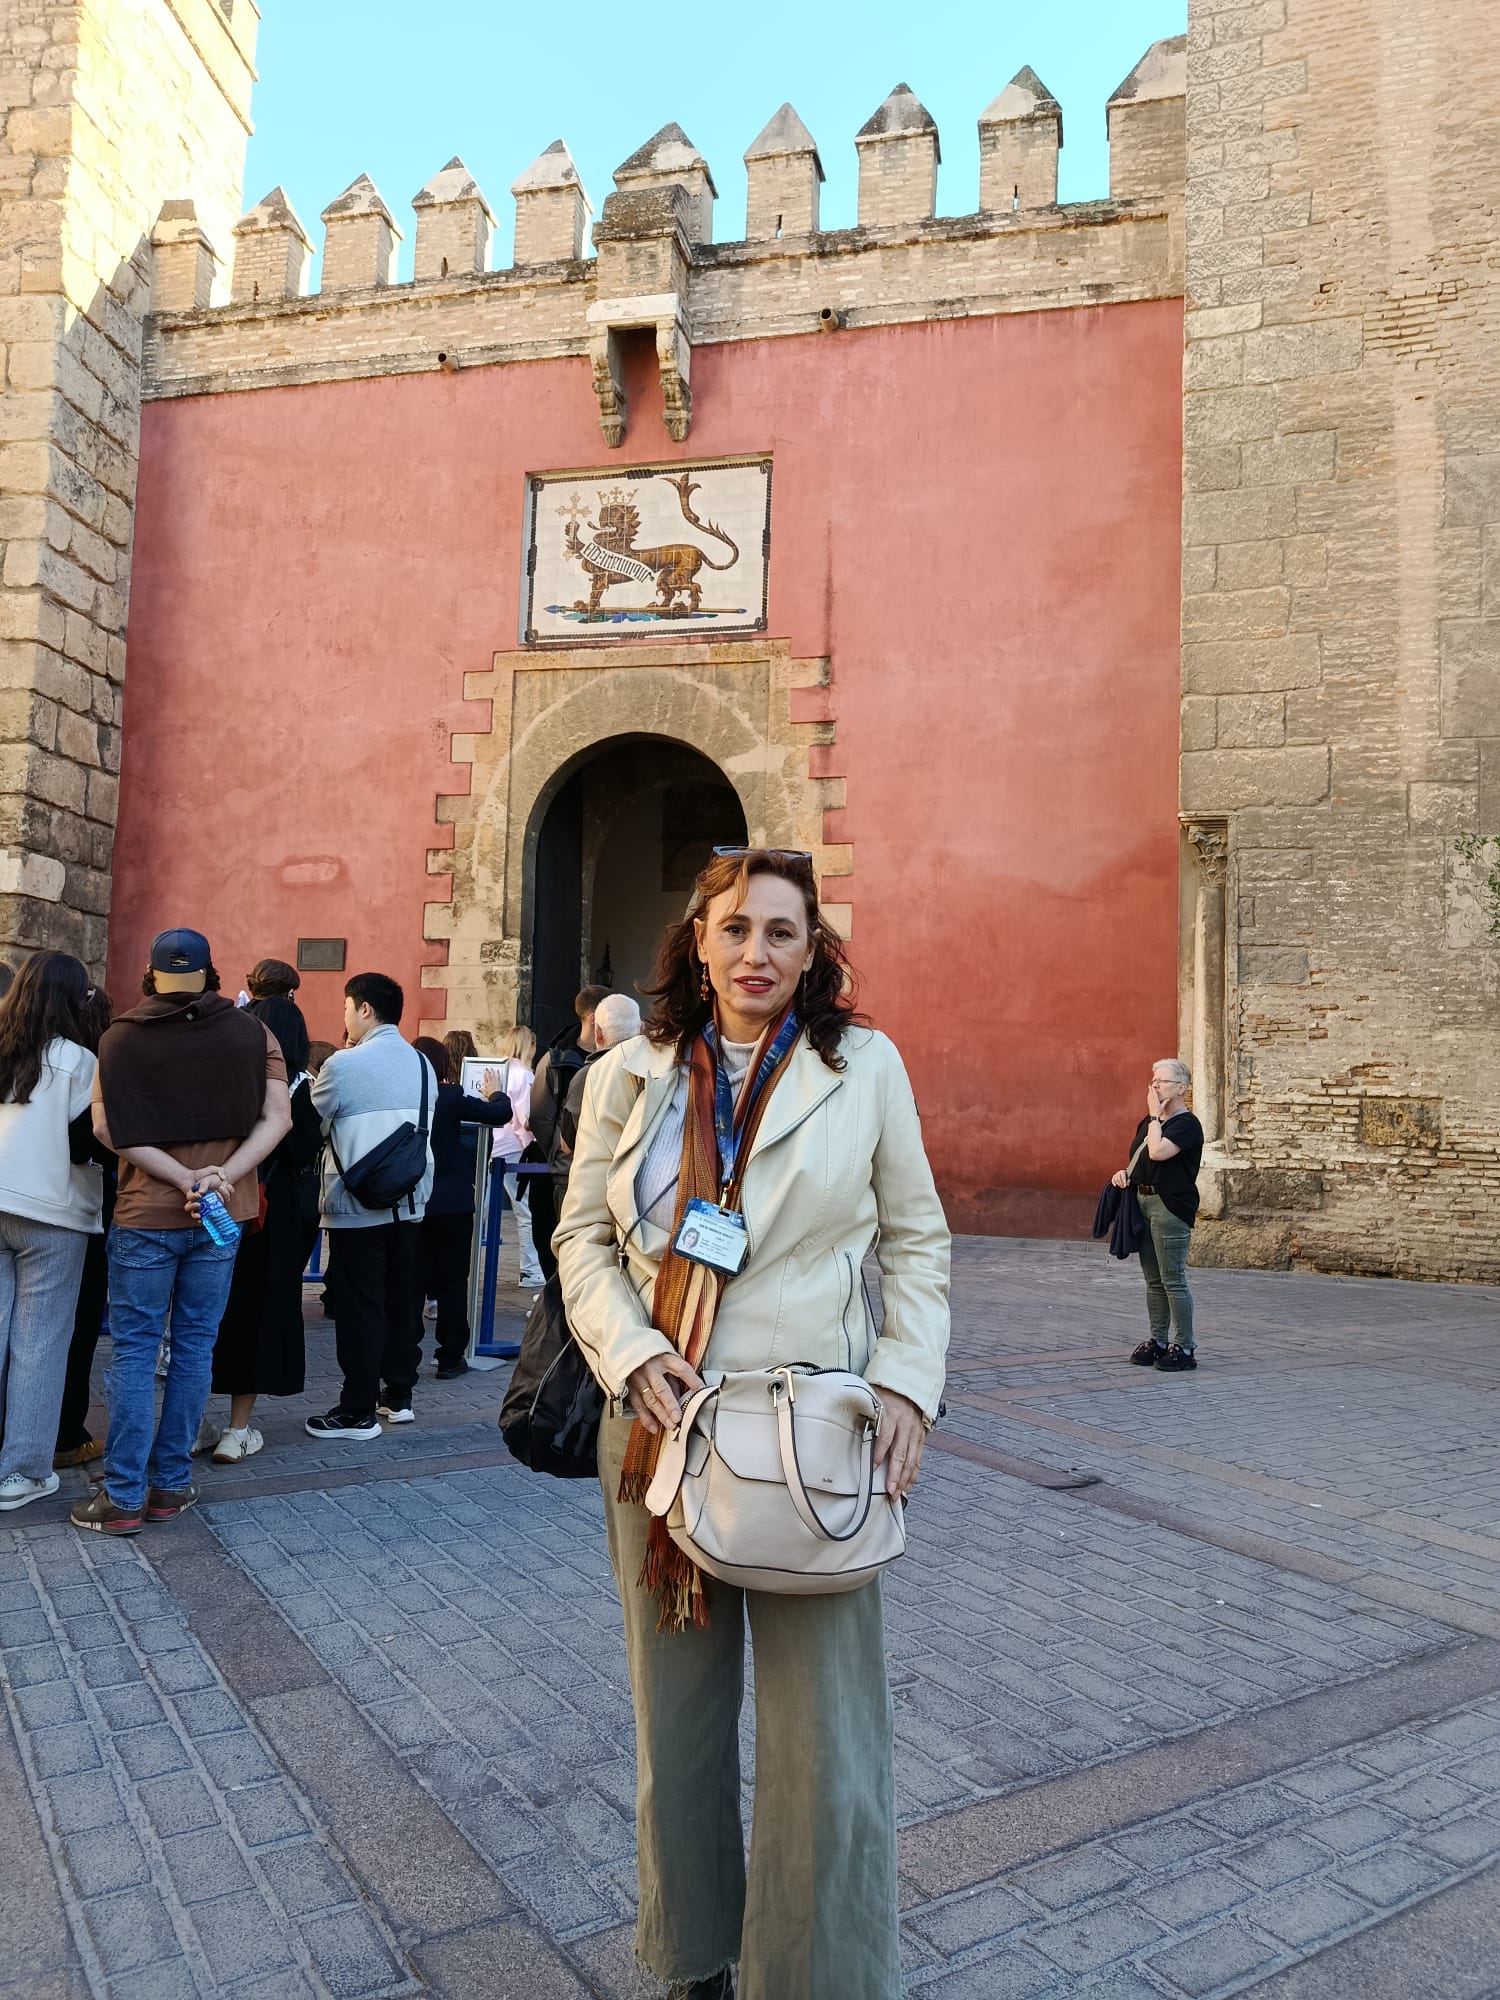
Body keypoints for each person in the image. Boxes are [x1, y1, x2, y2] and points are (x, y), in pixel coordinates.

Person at [554, 848, 951, 2000]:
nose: (755, 952)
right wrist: (631, 1353)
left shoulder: (861, 1065)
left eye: (781, 931)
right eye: (734, 928)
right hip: (662, 1428)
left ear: (813, 946)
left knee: (825, 1736)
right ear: (696, 939)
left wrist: (909, 1384)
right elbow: (580, 1237)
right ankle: (693, 1959)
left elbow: (917, 1238)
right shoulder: (634, 1070)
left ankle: (814, 1971)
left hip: (810, 1436)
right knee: (673, 1721)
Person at [75, 927, 292, 1535]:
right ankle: (170, 1485)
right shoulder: (255, 1032)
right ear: (209, 974)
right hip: (221, 1213)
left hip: (147, 1210)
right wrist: (221, 1177)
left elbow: (104, 1129)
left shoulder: (120, 1037)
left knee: (137, 1350)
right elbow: (279, 1117)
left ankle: (123, 1495)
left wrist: (180, 1178)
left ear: (150, 976)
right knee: (196, 1345)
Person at [307, 971, 435, 1438]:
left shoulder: (343, 1065)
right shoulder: (423, 1064)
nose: (344, 1016)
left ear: (364, 1008)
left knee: (361, 1306)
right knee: (403, 1301)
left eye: (346, 1006)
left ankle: (356, 1409)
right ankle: (398, 1395)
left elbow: (313, 1126)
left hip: (356, 1204)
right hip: (411, 1201)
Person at [0, 954, 105, 1511]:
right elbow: (90, 1143)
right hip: (52, 1211)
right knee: (39, 1344)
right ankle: (21, 1471)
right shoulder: (78, 1060)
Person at [199, 992, 322, 1461]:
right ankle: (236, 1429)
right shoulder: (296, 1091)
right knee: (256, 1316)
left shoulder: (226, 1080)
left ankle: (188, 1423)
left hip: (216, 1208)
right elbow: (304, 1147)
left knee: (205, 1314)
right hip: (274, 1217)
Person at [412, 1036, 510, 1379]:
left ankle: (405, 1358)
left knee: (411, 1282)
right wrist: (495, 1091)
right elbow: (500, 1113)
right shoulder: (450, 1096)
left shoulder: (405, 1094)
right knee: (454, 1282)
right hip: (452, 1200)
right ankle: (451, 1356)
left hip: (413, 1199)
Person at [54, 984, 115, 1470]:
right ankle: (65, 1435)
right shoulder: (86, 1064)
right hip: (75, 1213)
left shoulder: (21, 1055)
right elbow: (88, 1143)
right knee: (74, 1331)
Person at [1113, 1057, 1205, 1371]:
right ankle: (1159, 1341)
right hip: (1143, 1202)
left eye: (1162, 1081)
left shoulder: (1186, 1124)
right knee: (1153, 1279)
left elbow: (1158, 1152)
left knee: (1173, 1279)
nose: (1154, 1085)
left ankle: (1185, 1347)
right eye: (1153, 1080)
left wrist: (1155, 1115)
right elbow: (1142, 1159)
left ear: (1181, 1088)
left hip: (1170, 1207)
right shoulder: (1148, 1123)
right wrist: (1123, 1175)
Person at [529, 985, 609, 1280]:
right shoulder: (555, 1059)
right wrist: (560, 1148)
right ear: (592, 1017)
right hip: (567, 1168)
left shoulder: (617, 1056)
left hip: (606, 1168)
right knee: (567, 1248)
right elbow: (540, 1114)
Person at [552, 993, 641, 1204]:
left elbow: (567, 1144)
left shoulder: (587, 1076)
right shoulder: (659, 1072)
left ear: (598, 1033)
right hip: (643, 1187)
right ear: (642, 1029)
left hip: (596, 1191)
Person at [492, 1024, 544, 1289]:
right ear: (530, 1045)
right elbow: (525, 1119)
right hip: (515, 1147)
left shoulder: (498, 1071)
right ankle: (530, 1269)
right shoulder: (525, 1077)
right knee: (525, 1211)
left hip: (492, 1145)